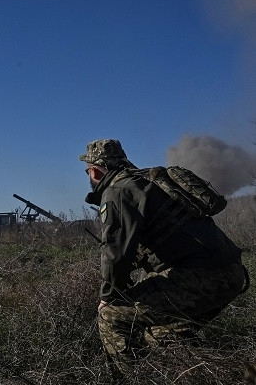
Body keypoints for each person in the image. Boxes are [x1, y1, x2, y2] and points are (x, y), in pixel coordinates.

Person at [80, 139, 248, 376]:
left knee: (110, 316)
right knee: (160, 334)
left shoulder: (117, 190)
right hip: (233, 273)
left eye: (87, 171)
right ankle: (221, 374)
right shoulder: (151, 180)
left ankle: (137, 379)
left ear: (95, 170)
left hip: (201, 278)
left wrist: (108, 296)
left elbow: (115, 251)